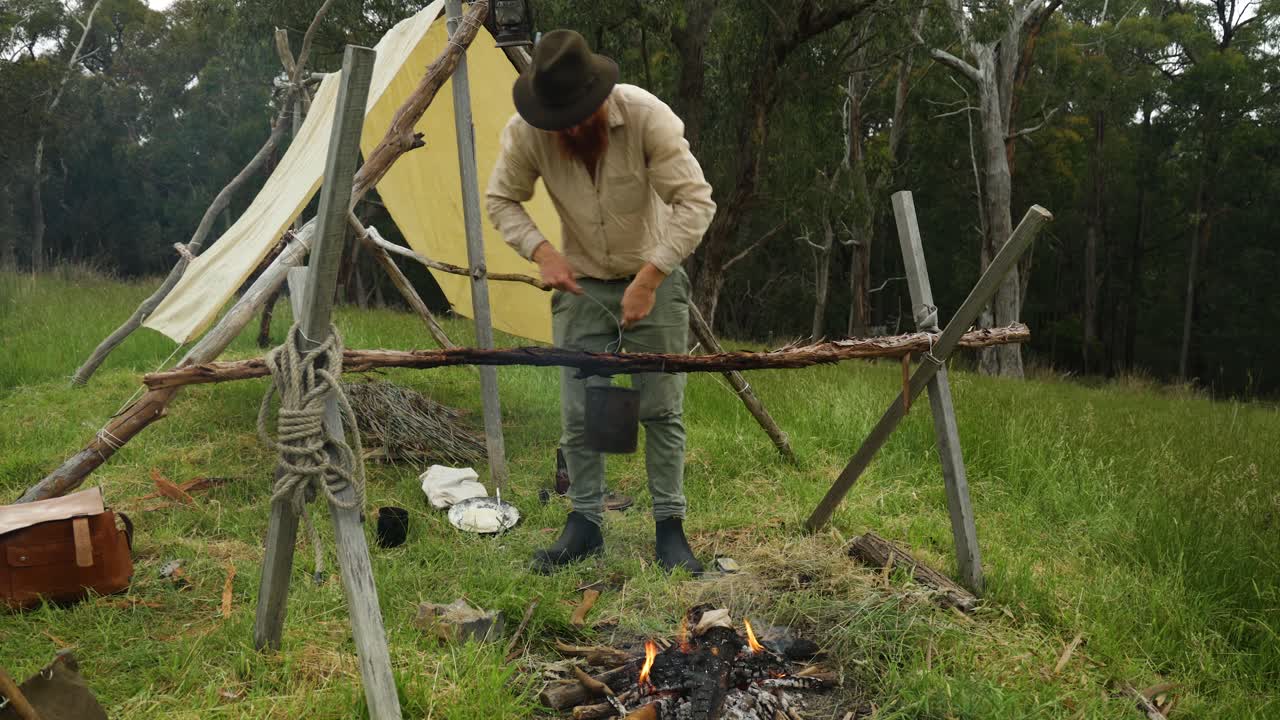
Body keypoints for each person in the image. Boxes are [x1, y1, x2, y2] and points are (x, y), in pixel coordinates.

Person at [486, 29, 716, 575]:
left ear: (598, 98)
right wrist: (543, 251)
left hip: (654, 279)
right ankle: (585, 524)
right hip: (583, 286)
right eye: (558, 119)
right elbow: (501, 199)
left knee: (661, 410)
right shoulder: (530, 130)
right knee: (577, 411)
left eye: (576, 117)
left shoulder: (646, 116)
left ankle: (670, 529)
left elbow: (695, 202)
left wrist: (651, 277)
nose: (568, 129)